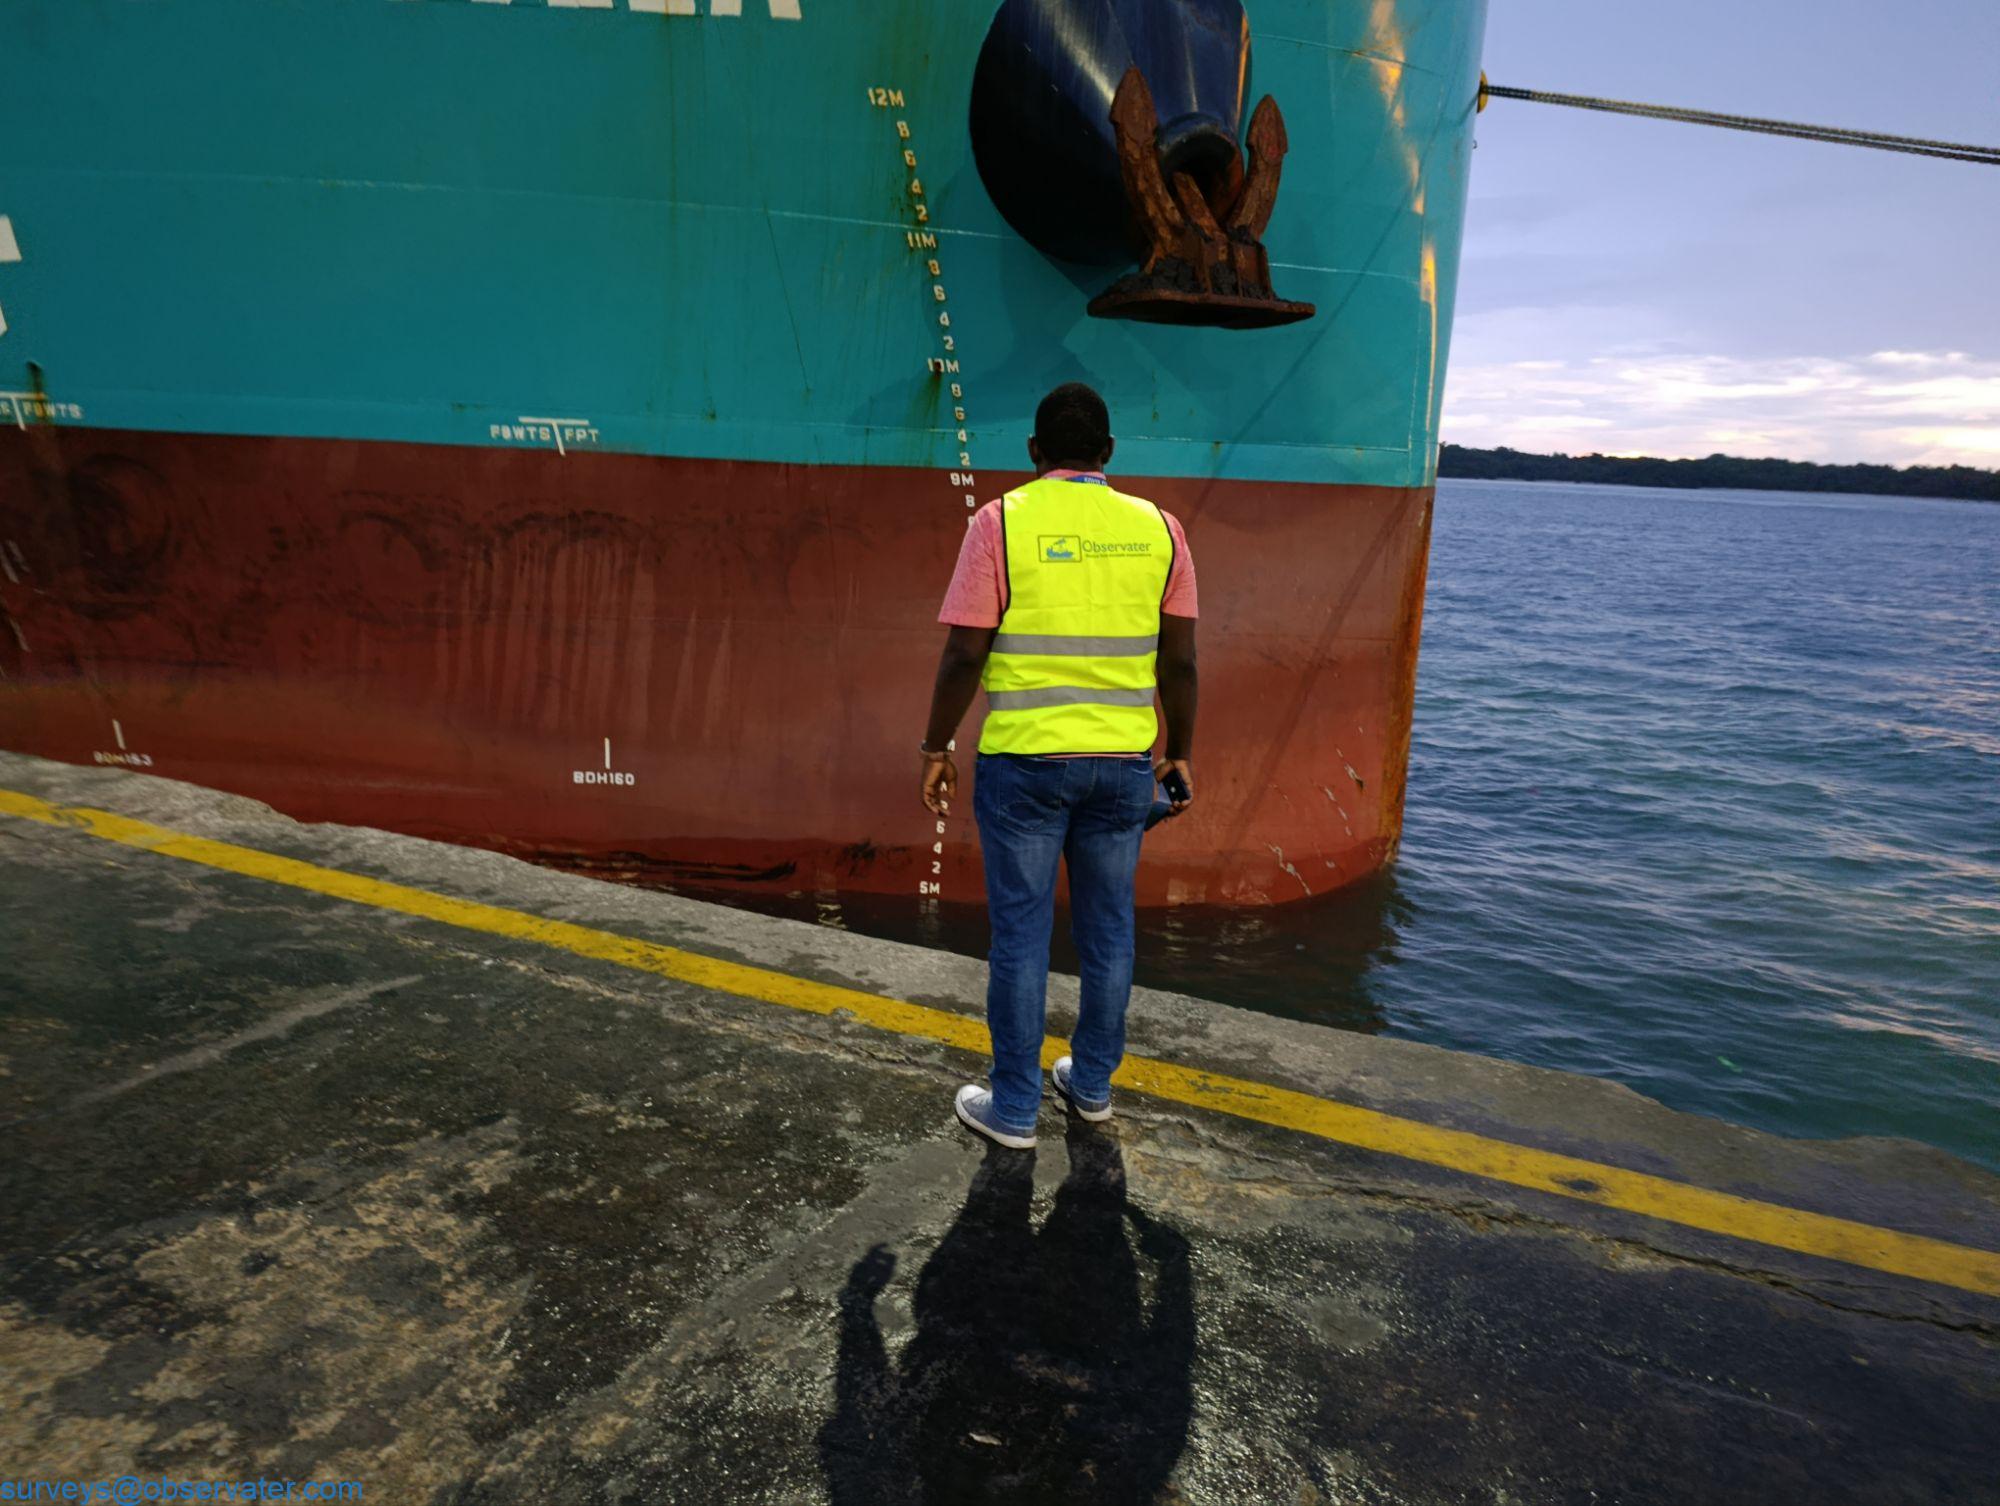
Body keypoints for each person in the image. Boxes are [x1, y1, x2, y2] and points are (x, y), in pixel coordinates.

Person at [918, 382, 1198, 1150]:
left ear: (1034, 451)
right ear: (1109, 453)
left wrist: (936, 746)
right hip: (1120, 769)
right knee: (1109, 933)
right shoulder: (1161, 530)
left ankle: (1012, 1109)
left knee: (1020, 936)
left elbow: (964, 652)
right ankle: (1093, 1087)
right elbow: (1181, 661)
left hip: (1024, 767)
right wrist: (1179, 752)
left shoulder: (999, 522)